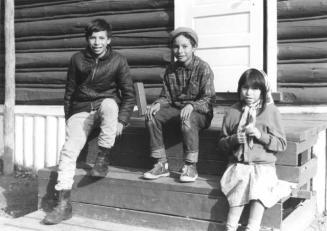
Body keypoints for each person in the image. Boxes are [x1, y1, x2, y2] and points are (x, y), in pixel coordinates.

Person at [42, 18, 135, 225]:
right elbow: (69, 91)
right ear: (87, 39)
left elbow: (129, 95)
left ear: (108, 40)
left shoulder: (118, 60)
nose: (97, 42)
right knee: (68, 150)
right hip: (81, 109)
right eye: (93, 38)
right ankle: (63, 204)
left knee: (111, 104)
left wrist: (122, 120)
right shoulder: (77, 59)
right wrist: (69, 119)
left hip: (105, 108)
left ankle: (102, 159)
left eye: (101, 38)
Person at [218, 68, 292, 231]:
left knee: (259, 187)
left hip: (263, 167)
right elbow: (221, 144)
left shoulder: (270, 111)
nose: (249, 93)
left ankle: (252, 227)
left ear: (263, 91)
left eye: (255, 89)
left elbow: (281, 144)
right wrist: (233, 140)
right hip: (239, 166)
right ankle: (230, 227)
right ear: (239, 89)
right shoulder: (233, 112)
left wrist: (260, 135)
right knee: (241, 183)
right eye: (245, 88)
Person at [143, 27, 215, 182]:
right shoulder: (170, 69)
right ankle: (161, 163)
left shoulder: (203, 68)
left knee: (187, 120)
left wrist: (192, 106)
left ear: (194, 47)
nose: (180, 51)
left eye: (185, 46)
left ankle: (190, 166)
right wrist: (158, 104)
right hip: (177, 110)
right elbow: (166, 97)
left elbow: (208, 99)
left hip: (200, 113)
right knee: (151, 115)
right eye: (176, 47)